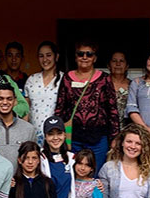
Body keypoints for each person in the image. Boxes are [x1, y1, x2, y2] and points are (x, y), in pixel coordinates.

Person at [54, 40, 120, 172]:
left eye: (89, 54)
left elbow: (112, 109)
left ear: (95, 58)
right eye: (81, 54)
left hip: (98, 138)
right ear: (75, 57)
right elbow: (60, 108)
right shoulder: (67, 78)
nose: (85, 57)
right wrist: (57, 133)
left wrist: (114, 137)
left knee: (95, 174)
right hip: (73, 138)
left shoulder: (104, 79)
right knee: (73, 172)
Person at [98, 124, 150, 198]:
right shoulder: (108, 168)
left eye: (138, 143)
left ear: (143, 147)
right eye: (129, 141)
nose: (132, 146)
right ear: (122, 143)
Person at [24, 41, 62, 146]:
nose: (45, 59)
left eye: (49, 55)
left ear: (56, 56)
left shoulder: (64, 80)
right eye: (41, 56)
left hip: (56, 138)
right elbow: (26, 111)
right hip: (34, 136)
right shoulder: (31, 80)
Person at [0, 82, 38, 168]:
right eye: (0, 99)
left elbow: (34, 159)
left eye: (9, 99)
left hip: (21, 181)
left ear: (15, 101)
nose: (5, 102)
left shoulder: (29, 129)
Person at [39, 116, 75, 198]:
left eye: (59, 133)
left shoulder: (72, 158)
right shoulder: (38, 158)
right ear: (45, 137)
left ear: (64, 135)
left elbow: (83, 178)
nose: (55, 138)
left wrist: (97, 184)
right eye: (51, 134)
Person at [108, 50, 131, 126]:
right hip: (106, 131)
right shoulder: (102, 84)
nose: (118, 64)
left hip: (128, 130)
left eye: (122, 61)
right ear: (108, 65)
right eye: (114, 61)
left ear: (127, 66)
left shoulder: (133, 86)